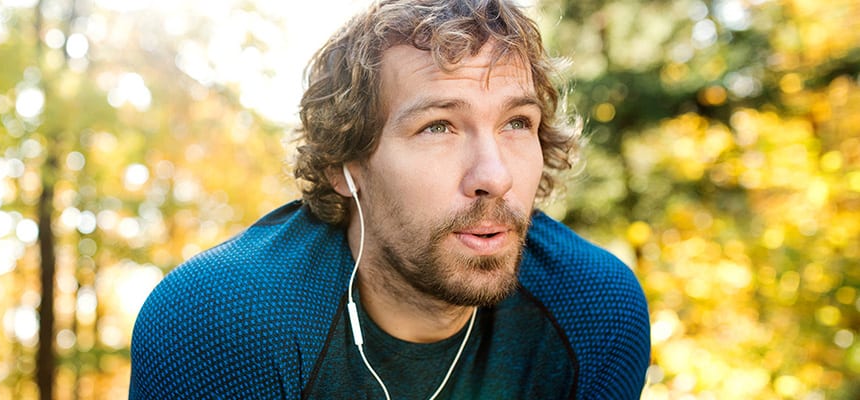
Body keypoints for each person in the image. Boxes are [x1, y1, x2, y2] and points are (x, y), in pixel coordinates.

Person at [129, 0, 651, 398]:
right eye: (439, 126)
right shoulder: (224, 321)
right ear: (345, 166)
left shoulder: (595, 310)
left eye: (517, 123)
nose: (494, 176)